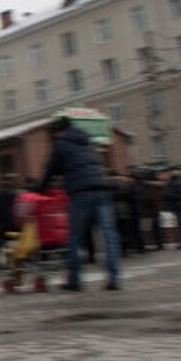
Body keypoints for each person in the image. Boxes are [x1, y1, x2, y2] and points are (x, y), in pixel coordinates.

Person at [39, 116, 121, 291]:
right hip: (101, 189)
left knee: (75, 237)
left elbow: (51, 170)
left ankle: (74, 280)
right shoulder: (87, 141)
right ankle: (115, 278)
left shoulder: (61, 144)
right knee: (109, 236)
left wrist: (39, 190)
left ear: (58, 131)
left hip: (80, 193)